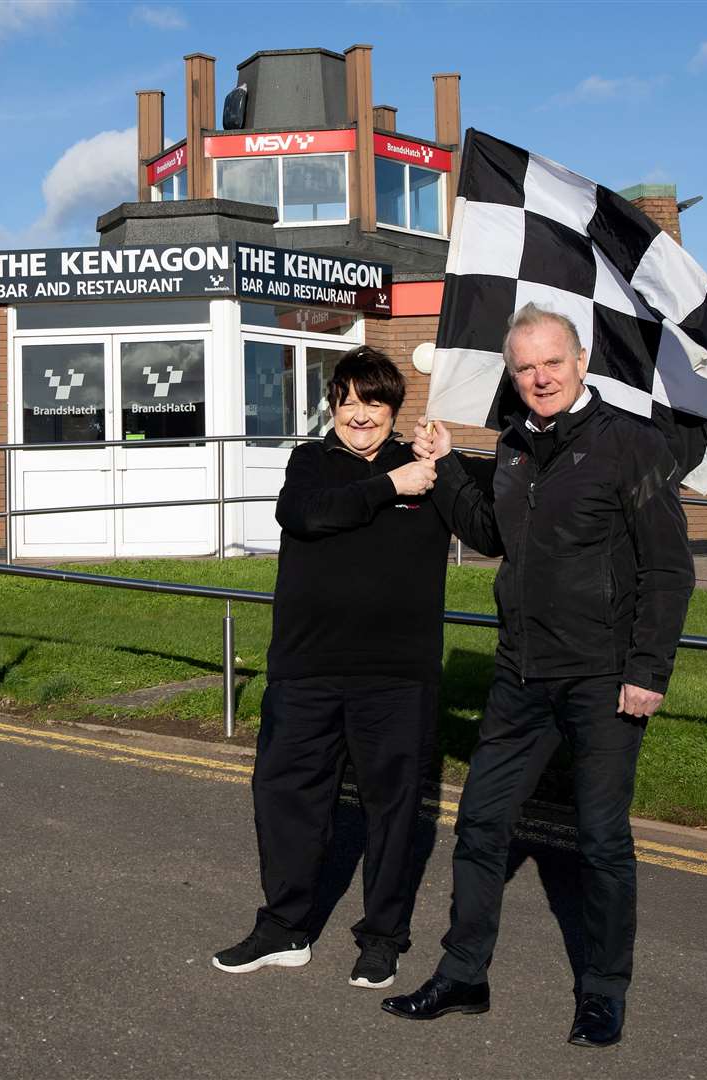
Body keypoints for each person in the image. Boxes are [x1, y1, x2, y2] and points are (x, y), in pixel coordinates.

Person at [381, 303, 694, 1047]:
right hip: (520, 674)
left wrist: (646, 669)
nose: (538, 378)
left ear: (580, 361)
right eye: (523, 367)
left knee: (599, 840)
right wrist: (451, 463)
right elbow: (492, 536)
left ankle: (602, 993)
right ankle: (463, 976)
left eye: (550, 362)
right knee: (481, 825)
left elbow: (668, 568)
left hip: (603, 677)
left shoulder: (630, 445)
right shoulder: (517, 446)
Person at [212, 345, 450, 991]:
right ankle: (284, 928)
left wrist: (443, 465)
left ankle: (382, 938)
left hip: (395, 675)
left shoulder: (425, 467)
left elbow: (492, 531)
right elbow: (305, 515)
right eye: (345, 403)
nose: (358, 415)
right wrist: (388, 487)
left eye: (371, 402)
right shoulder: (310, 462)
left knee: (393, 809)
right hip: (306, 668)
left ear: (392, 407)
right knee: (285, 796)